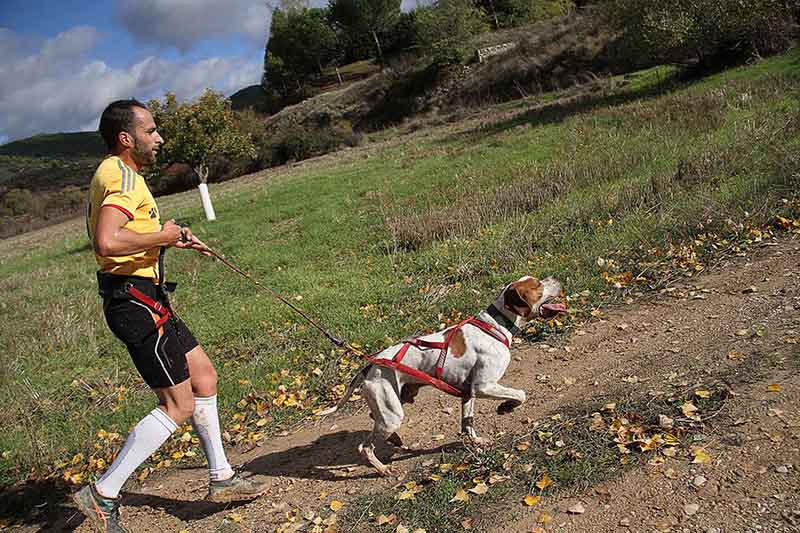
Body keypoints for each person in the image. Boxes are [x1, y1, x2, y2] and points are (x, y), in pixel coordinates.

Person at [73, 99, 267, 532]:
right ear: (127, 138)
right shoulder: (120, 175)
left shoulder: (126, 177)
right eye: (151, 130)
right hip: (135, 304)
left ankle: (221, 478)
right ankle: (103, 493)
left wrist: (168, 237)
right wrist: (162, 234)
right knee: (178, 404)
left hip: (149, 298)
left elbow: (130, 235)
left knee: (204, 378)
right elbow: (107, 242)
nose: (159, 138)